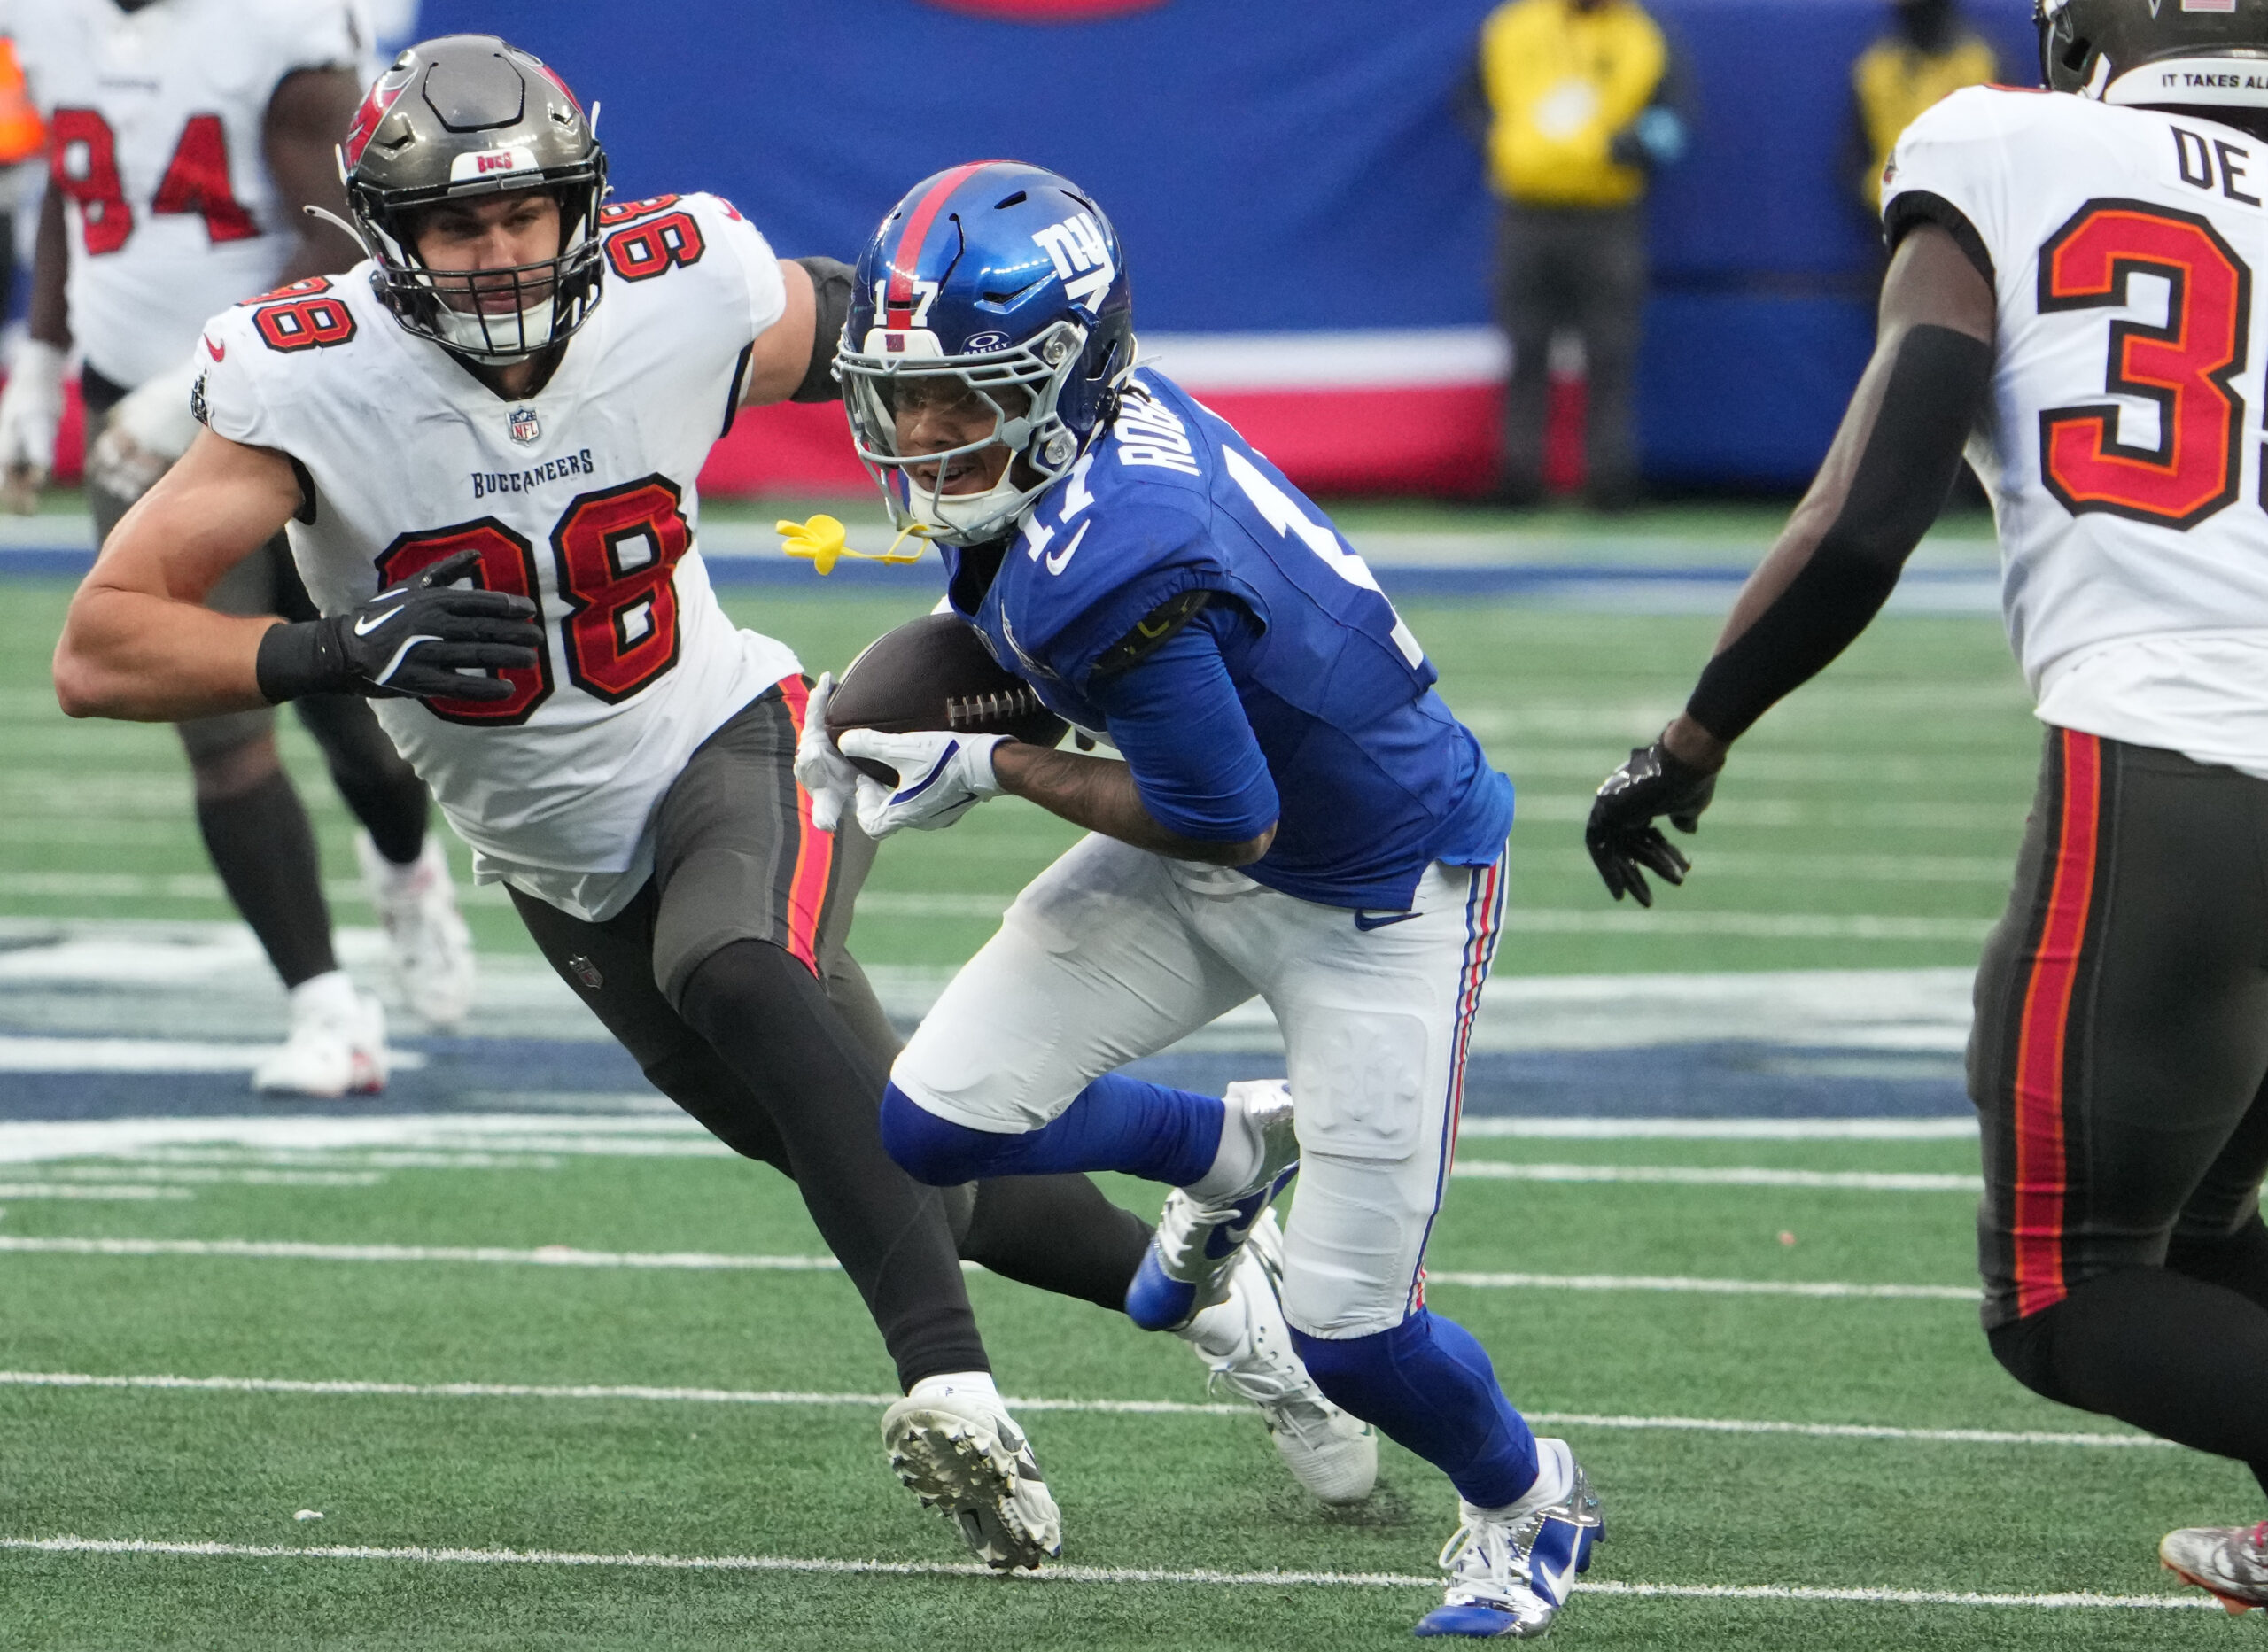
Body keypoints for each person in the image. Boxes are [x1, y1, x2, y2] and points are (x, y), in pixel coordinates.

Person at [50, 35, 1371, 1570]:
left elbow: (911, 348)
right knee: (877, 1145)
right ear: (386, 234)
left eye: (525, 216)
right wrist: (322, 644)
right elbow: (100, 643)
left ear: (582, 205)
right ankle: (1229, 1291)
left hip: (735, 741)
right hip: (553, 857)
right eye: (457, 227)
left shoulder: (684, 284)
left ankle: (949, 1388)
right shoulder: (305, 373)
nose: (496, 255)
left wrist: (1111, 505)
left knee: (738, 965)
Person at [796, 160, 1596, 1640]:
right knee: (935, 1121)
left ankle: (1531, 1500)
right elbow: (1031, 631)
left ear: (1066, 373)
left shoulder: (1118, 552)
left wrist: (995, 767)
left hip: (1379, 887)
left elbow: (1229, 816)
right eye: (904, 391)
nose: (920, 432)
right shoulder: (1073, 454)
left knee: (1353, 1335)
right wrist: (872, 702)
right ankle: (1225, 1155)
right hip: (1216, 832)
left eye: (963, 396)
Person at [1583, 0, 2268, 1611]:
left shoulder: (2003, 140)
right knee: (2183, 1235)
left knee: (2068, 1294)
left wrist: (1690, 738)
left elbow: (1867, 508)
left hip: (2177, 749)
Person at [0, 0, 470, 1094]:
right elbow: (81, 182)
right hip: (133, 414)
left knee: (353, 711)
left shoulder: (283, 23)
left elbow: (346, 223)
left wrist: (197, 382)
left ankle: (403, 866)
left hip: (296, 402)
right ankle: (325, 1007)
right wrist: (42, 362)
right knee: (211, 717)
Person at [1456, 0, 1686, 510]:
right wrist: (1502, 142)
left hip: (1606, 213)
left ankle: (1610, 479)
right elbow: (1468, 97)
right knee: (1525, 345)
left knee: (1611, 348)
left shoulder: (1643, 34)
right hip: (1526, 210)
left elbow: (1676, 118)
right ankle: (1519, 478)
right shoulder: (1513, 26)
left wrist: (1637, 146)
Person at [1849, 0, 1998, 215]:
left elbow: (2001, 156)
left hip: (1968, 215)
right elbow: (1854, 162)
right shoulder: (1876, 70)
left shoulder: (1980, 64)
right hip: (1893, 215)